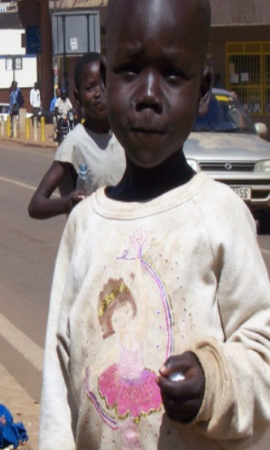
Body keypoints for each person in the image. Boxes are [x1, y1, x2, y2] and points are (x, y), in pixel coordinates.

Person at [39, 1, 270, 449]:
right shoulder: (84, 226)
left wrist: (214, 381)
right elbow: (58, 381)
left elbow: (264, 354)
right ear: (104, 80)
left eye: (172, 74)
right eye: (128, 70)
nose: (148, 93)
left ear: (202, 89)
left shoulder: (220, 216)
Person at [28, 52, 125, 219]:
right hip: (91, 240)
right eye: (90, 87)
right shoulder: (75, 142)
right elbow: (36, 204)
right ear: (78, 97)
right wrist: (67, 203)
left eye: (104, 85)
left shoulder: (126, 136)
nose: (98, 93)